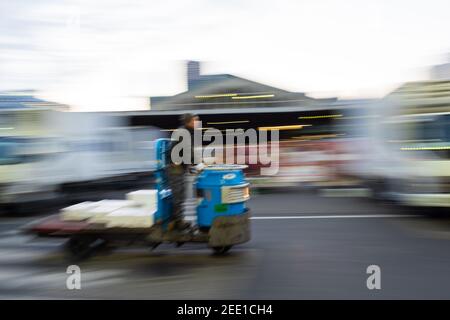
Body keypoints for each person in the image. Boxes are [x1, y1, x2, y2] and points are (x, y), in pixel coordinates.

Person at [166, 113, 200, 231]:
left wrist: (193, 164)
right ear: (188, 122)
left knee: (181, 195)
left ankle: (178, 220)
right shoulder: (183, 132)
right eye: (195, 120)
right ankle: (177, 222)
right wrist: (197, 164)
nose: (197, 122)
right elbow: (183, 151)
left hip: (180, 167)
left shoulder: (186, 132)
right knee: (178, 196)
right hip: (175, 168)